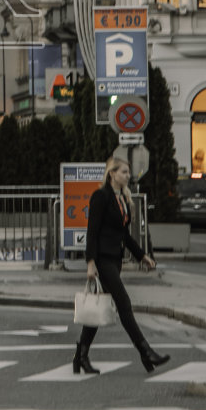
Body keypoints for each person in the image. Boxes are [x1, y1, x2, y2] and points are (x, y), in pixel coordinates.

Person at [75, 153, 169, 376]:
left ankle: (80, 356)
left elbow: (124, 235)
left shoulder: (123, 199)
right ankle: (146, 352)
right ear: (112, 174)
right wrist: (90, 263)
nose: (128, 176)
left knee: (97, 310)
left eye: (128, 172)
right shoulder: (101, 196)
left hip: (115, 259)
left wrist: (141, 255)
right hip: (102, 260)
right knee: (124, 304)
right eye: (124, 172)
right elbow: (92, 231)